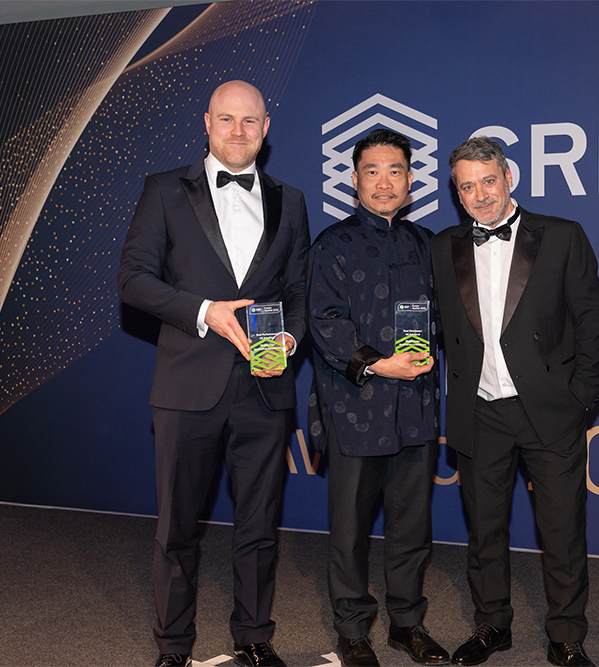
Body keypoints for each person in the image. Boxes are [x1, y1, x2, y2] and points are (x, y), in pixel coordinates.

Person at [117, 80, 310, 667]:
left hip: (265, 387)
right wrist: (205, 311)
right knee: (177, 528)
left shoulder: (291, 200)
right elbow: (133, 279)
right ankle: (174, 646)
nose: (238, 130)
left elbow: (300, 290)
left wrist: (290, 335)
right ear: (207, 122)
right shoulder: (163, 190)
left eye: (250, 121)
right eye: (227, 119)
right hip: (187, 385)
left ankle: (253, 636)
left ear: (266, 128)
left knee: (259, 526)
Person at [430, 137, 599, 667]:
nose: (481, 195)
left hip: (549, 409)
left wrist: (582, 396)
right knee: (484, 531)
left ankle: (566, 636)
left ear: (510, 177)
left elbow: (591, 319)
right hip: (479, 410)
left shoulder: (562, 235)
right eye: (467, 187)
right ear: (457, 193)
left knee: (562, 531)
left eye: (489, 180)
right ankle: (492, 626)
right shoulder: (443, 246)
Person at [306, 128, 449, 667]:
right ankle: (352, 631)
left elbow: (446, 319)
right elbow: (324, 320)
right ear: (355, 180)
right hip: (355, 406)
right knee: (350, 531)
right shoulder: (332, 245)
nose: (384, 182)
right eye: (372, 171)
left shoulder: (427, 244)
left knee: (412, 528)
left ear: (411, 181)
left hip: (415, 408)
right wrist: (378, 362)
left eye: (395, 171)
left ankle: (408, 625)